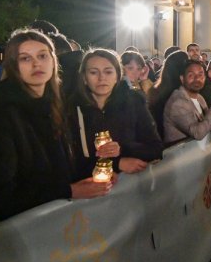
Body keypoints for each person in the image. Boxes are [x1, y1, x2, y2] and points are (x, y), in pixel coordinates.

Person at [0, 29, 111, 226]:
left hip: (52, 218)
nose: (37, 63)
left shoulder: (54, 101)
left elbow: (61, 162)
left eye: (42, 56)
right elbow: (1, 191)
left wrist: (95, 174)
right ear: (13, 65)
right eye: (25, 58)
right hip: (20, 227)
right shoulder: (0, 109)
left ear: (54, 61)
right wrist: (69, 191)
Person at [70, 49, 163, 177]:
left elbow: (155, 149)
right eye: (93, 72)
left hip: (128, 188)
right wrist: (115, 163)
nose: (102, 78)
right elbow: (70, 161)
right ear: (84, 78)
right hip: (87, 188)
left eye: (108, 72)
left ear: (117, 76)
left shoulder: (134, 103)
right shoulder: (72, 110)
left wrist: (121, 150)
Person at [162, 59, 211, 145]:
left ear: (205, 77)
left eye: (200, 75)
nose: (197, 79)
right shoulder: (178, 103)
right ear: (182, 79)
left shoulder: (200, 98)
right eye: (191, 75)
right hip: (182, 156)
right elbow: (198, 133)